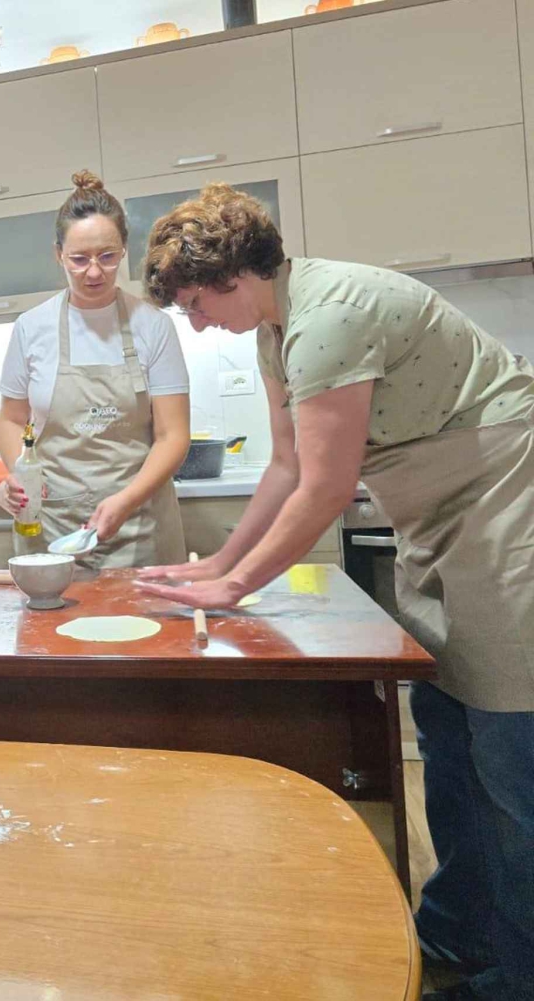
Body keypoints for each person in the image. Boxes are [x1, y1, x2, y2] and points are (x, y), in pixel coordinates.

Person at [135, 183, 534, 1001]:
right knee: (445, 727)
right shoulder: (275, 330)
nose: (196, 322)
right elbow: (285, 465)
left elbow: (324, 486)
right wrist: (218, 567)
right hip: (442, 517)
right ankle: (458, 929)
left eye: (196, 303)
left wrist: (238, 585)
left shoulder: (330, 317)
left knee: (506, 748)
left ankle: (520, 974)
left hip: (507, 501)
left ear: (234, 274)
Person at [0, 170, 190, 567]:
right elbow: (11, 419)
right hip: (53, 529)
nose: (94, 272)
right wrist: (20, 475)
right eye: (79, 259)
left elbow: (173, 436)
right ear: (58, 255)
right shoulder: (31, 328)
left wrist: (126, 501)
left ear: (124, 250)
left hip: (140, 527)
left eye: (107, 256)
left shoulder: (154, 327)